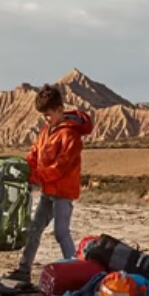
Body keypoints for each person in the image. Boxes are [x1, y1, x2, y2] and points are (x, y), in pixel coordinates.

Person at [8, 84, 93, 283]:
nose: (45, 119)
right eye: (43, 115)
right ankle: (23, 270)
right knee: (34, 229)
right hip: (48, 191)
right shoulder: (47, 131)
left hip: (63, 192)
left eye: (48, 115)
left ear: (60, 109)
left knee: (61, 232)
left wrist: (37, 176)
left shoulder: (70, 135)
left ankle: (75, 272)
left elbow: (61, 166)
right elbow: (34, 153)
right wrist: (26, 170)